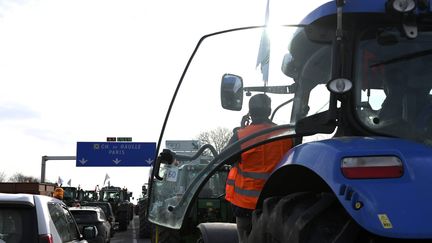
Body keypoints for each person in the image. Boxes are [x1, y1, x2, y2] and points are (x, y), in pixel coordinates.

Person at [224, 93, 293, 243]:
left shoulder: (241, 135)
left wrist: (241, 129)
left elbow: (226, 158)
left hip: (245, 206)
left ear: (250, 112)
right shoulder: (285, 134)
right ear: (269, 111)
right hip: (275, 202)